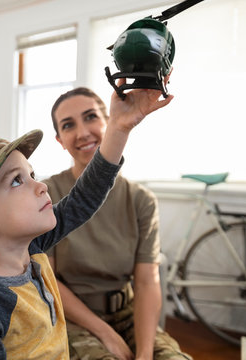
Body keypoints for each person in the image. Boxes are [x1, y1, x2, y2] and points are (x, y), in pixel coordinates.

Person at [0, 80, 172, 360]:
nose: (41, 187)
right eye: (16, 181)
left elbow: (86, 196)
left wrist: (119, 127)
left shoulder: (32, 249)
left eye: (32, 175)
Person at [43, 87, 191, 360]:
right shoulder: (47, 195)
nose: (83, 132)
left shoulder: (141, 201)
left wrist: (145, 353)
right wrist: (105, 333)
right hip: (72, 318)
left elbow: (147, 282)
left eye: (90, 117)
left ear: (108, 121)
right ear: (60, 140)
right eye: (68, 125)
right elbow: (47, 281)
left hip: (127, 313)